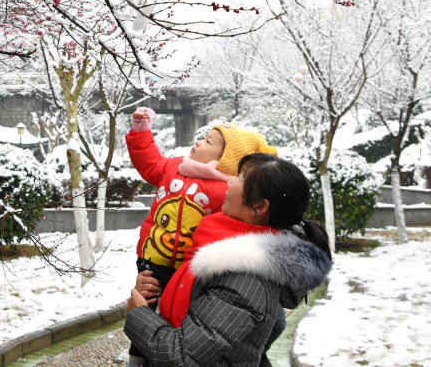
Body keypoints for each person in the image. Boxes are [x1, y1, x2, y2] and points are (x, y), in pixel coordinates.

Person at [124, 153, 332, 367]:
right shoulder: (220, 245)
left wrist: (139, 316)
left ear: (259, 207)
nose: (229, 180)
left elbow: (183, 357)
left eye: (240, 178)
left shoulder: (245, 276)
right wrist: (154, 294)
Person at [124, 109, 276, 365]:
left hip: (190, 270)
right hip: (153, 259)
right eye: (202, 138)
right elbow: (149, 163)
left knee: (178, 315)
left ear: (226, 160)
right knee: (146, 303)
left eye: (208, 142)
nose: (198, 143)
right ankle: (137, 358)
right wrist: (141, 132)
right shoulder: (175, 167)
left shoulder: (227, 192)